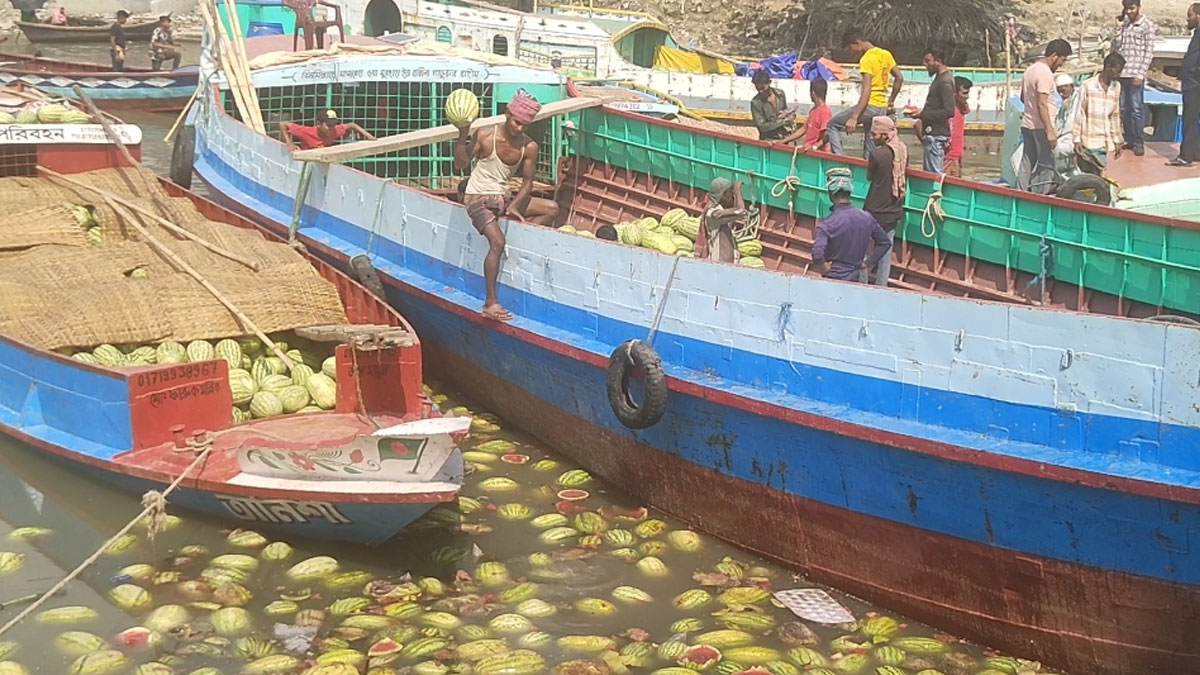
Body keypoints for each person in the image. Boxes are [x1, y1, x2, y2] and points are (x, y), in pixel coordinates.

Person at [454, 90, 559, 321]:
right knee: (498, 242)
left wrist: (516, 206)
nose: (519, 128)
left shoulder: (528, 147)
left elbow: (528, 181)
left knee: (551, 208)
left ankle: (518, 228)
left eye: (524, 125)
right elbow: (461, 164)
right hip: (477, 198)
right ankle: (490, 303)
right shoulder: (484, 135)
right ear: (507, 114)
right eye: (516, 122)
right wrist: (463, 134)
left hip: (503, 199)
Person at [827, 31, 904, 158]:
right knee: (871, 147)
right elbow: (899, 78)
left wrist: (854, 117)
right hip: (882, 108)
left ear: (857, 43)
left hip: (870, 105)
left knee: (832, 125)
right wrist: (891, 100)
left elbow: (867, 89)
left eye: (851, 49)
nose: (852, 53)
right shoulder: (885, 54)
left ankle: (839, 159)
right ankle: (867, 172)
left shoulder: (866, 59)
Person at [811, 167, 892, 282]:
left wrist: (824, 268)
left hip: (834, 277)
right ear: (850, 192)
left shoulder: (827, 225)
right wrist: (867, 263)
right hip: (857, 275)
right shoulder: (867, 218)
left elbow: (817, 253)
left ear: (830, 193)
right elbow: (885, 242)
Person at [1017, 39, 1073, 193]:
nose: (1061, 64)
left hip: (1028, 124)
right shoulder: (1045, 73)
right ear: (1054, 56)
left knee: (1027, 162)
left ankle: (1019, 193)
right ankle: (1042, 198)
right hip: (1040, 127)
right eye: (1062, 60)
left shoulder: (1030, 70)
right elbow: (1042, 103)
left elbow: (1023, 97)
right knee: (1047, 164)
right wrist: (1050, 130)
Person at [863, 116, 907, 286]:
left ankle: (863, 284)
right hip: (894, 209)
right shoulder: (902, 150)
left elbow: (869, 176)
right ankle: (881, 287)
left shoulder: (876, 154)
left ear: (884, 135)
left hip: (874, 209)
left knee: (865, 251)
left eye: (874, 135)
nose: (872, 138)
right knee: (885, 251)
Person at [1112, 0, 1156, 156]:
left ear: (1138, 7)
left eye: (1132, 8)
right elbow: (1117, 46)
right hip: (1122, 73)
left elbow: (1149, 52)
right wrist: (1118, 28)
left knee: (1137, 109)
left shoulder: (1146, 25)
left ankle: (1138, 142)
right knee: (1123, 108)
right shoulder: (1124, 25)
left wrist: (1141, 73)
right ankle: (1129, 139)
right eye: (1126, 9)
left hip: (1135, 73)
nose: (1129, 11)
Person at [905, 47, 956, 173]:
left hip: (936, 135)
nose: (925, 65)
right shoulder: (940, 79)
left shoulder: (944, 82)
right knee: (930, 173)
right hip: (932, 134)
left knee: (934, 176)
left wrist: (923, 114)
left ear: (937, 61)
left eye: (928, 61)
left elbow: (949, 111)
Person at [1073, 53, 1125, 170]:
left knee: (1099, 177)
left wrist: (1117, 140)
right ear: (1108, 67)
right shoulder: (1087, 86)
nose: (1119, 74)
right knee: (1087, 178)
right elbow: (1079, 113)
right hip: (1088, 141)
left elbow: (1115, 115)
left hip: (1104, 142)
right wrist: (1077, 139)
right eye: (1117, 71)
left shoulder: (1116, 87)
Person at [1171, 3, 1200, 167]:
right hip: (1192, 82)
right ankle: (1195, 151)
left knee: (1190, 120)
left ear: (1197, 16)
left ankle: (1186, 156)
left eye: (1190, 15)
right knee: (1192, 120)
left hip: (1195, 84)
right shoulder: (1197, 33)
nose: (1187, 19)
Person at [695, 178, 747, 263]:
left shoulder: (720, 209)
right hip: (720, 261)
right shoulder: (713, 214)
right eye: (730, 192)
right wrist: (737, 190)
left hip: (726, 263)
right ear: (723, 195)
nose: (732, 195)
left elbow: (733, 210)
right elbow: (741, 211)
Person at [775, 77, 831, 152]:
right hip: (808, 151)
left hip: (819, 154)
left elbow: (827, 135)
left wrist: (814, 147)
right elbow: (804, 128)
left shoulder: (825, 112)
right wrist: (784, 141)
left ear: (813, 93)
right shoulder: (813, 111)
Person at [280, 110, 375, 151]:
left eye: (334, 125)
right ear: (318, 124)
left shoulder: (334, 131)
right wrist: (289, 143)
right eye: (328, 125)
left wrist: (368, 135)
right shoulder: (307, 131)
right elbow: (283, 124)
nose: (331, 127)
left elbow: (351, 125)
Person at [750, 70, 795, 141]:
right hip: (768, 139)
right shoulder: (756, 102)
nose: (760, 91)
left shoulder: (780, 94)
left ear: (769, 82)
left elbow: (784, 111)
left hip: (784, 137)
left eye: (763, 88)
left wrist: (789, 115)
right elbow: (761, 126)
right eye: (758, 89)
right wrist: (782, 122)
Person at [1051, 73, 1081, 169]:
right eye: (1059, 92)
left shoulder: (1079, 99)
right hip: (1064, 137)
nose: (1061, 94)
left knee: (1054, 150)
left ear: (1071, 87)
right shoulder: (1065, 103)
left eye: (1063, 91)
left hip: (1074, 138)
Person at [945, 76, 973, 177]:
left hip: (957, 158)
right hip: (948, 159)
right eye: (964, 93)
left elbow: (966, 109)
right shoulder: (948, 111)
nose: (967, 97)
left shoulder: (961, 108)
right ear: (955, 94)